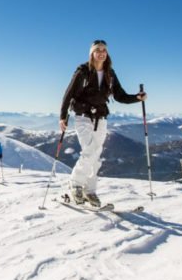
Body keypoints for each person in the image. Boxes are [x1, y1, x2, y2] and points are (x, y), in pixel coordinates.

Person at [59, 39, 147, 206]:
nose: (101, 52)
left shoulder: (110, 74)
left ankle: (90, 190)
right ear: (92, 53)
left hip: (101, 118)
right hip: (83, 116)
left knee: (96, 155)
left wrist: (136, 98)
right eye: (98, 49)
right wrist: (62, 116)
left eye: (104, 50)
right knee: (89, 151)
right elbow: (68, 93)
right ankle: (75, 184)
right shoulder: (83, 72)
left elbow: (120, 96)